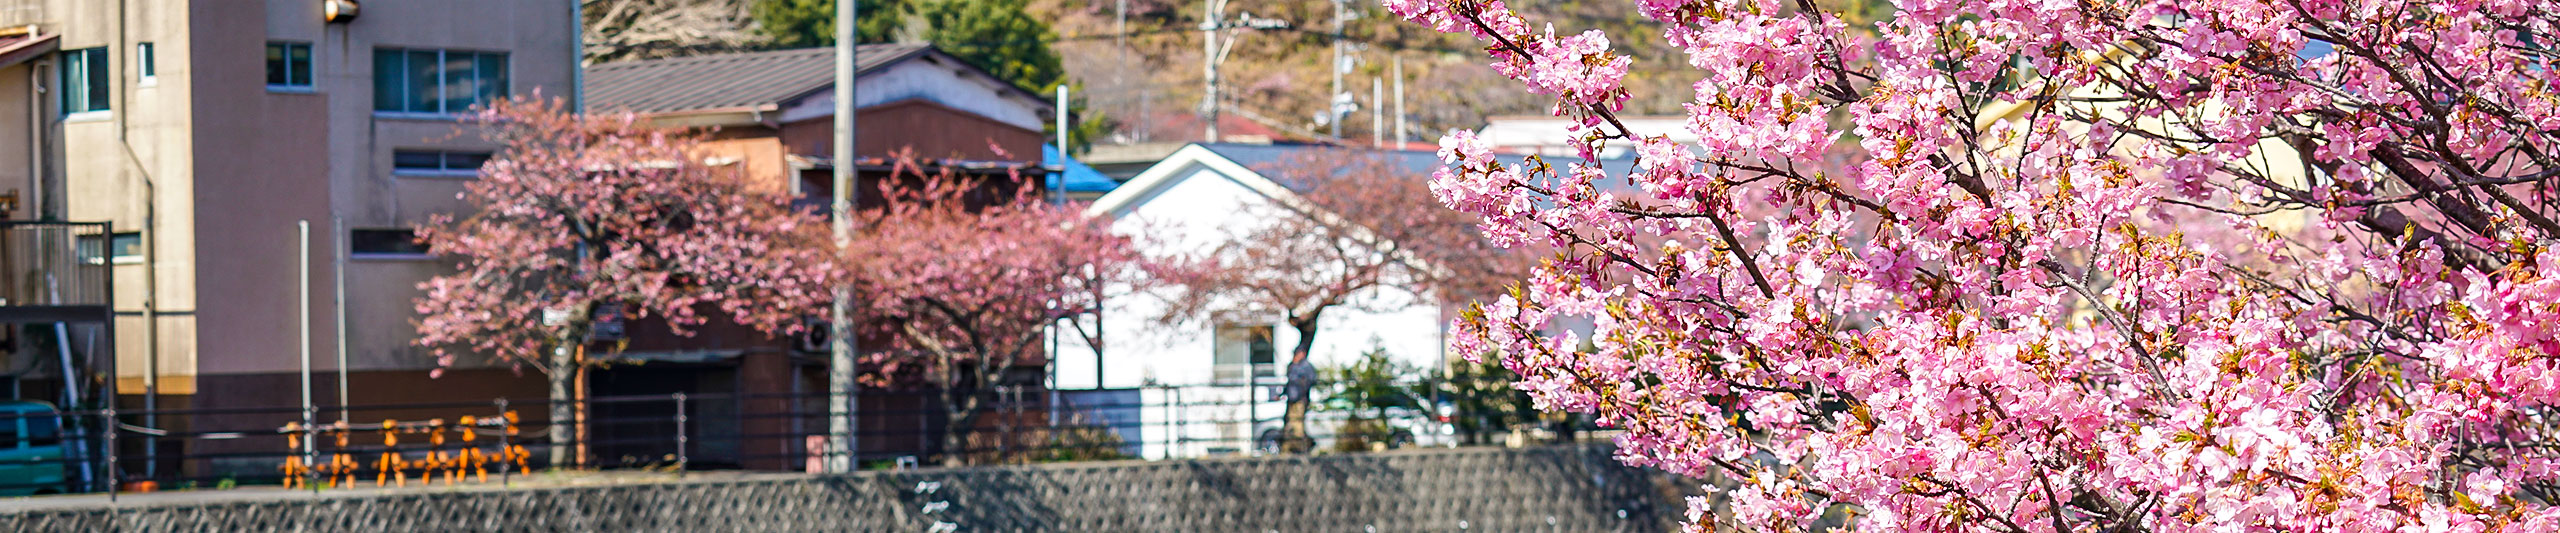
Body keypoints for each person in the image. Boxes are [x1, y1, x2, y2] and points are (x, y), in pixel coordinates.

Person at [1272, 349, 1317, 453]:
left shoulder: (1306, 366)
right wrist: (1282, 394)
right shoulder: (1293, 366)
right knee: (1290, 422)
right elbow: (1289, 383)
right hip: (1292, 398)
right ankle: (1290, 447)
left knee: (1297, 424)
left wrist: (1302, 388)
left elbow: (1311, 380)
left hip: (1300, 398)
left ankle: (1300, 447)